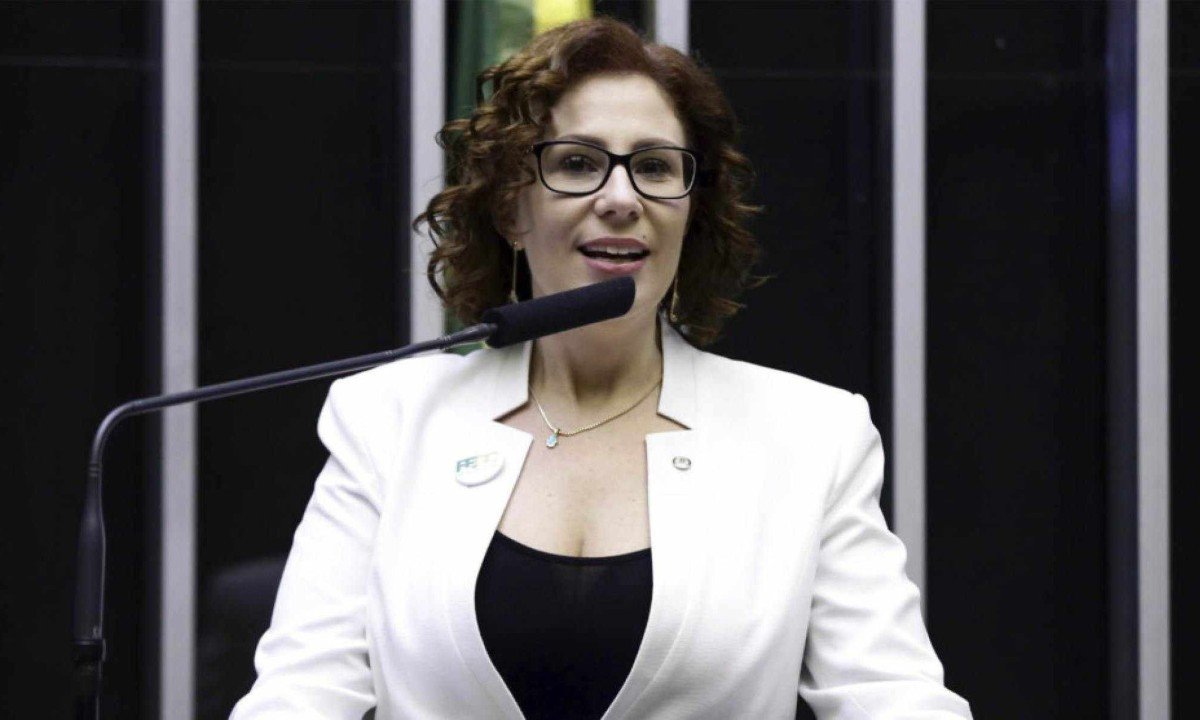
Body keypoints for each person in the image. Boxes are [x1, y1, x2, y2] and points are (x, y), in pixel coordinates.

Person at [232, 17, 972, 720]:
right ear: (511, 210)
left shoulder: (812, 436)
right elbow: (300, 697)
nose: (622, 199)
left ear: (691, 209)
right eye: (578, 164)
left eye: (654, 167)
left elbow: (894, 697)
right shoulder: (388, 420)